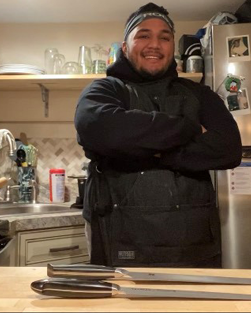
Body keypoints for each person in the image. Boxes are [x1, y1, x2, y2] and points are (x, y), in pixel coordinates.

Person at [75, 2, 242, 268]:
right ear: (126, 46)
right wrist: (187, 129)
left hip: (195, 245)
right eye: (143, 35)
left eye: (164, 38)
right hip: (118, 240)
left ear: (172, 48)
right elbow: (98, 129)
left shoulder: (199, 94)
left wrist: (142, 150)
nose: (155, 44)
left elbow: (229, 148)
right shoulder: (106, 89)